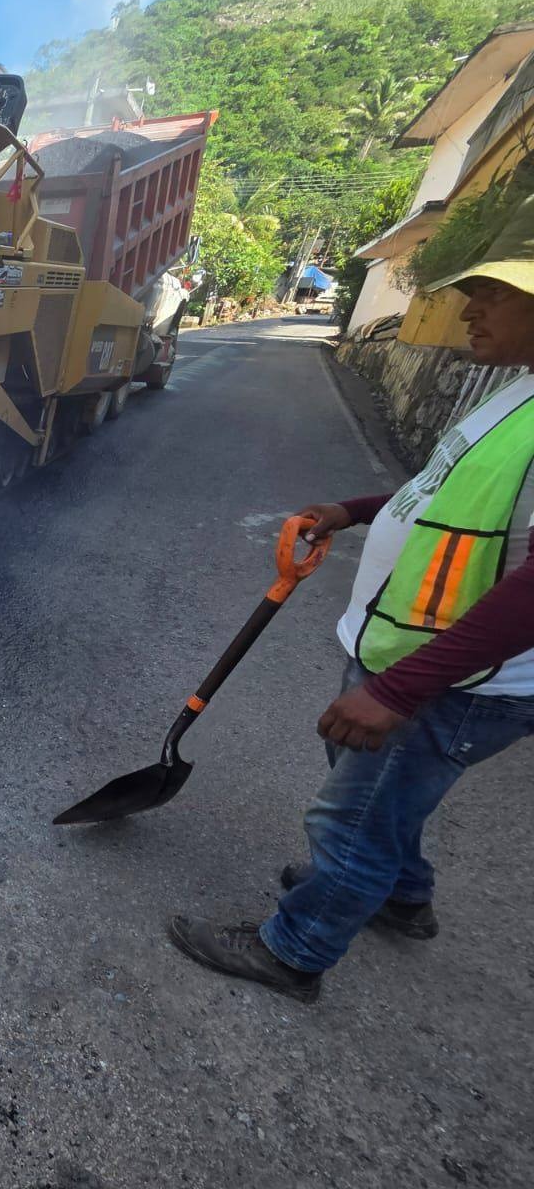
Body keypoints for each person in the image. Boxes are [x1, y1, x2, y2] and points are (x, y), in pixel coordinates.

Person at [169, 198, 534, 1004]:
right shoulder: (518, 394)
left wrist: (401, 689)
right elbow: (443, 493)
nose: (469, 307)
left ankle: (294, 950)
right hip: (414, 655)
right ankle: (399, 895)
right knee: (379, 797)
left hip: (450, 679)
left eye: (497, 292)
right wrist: (356, 511)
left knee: (352, 820)